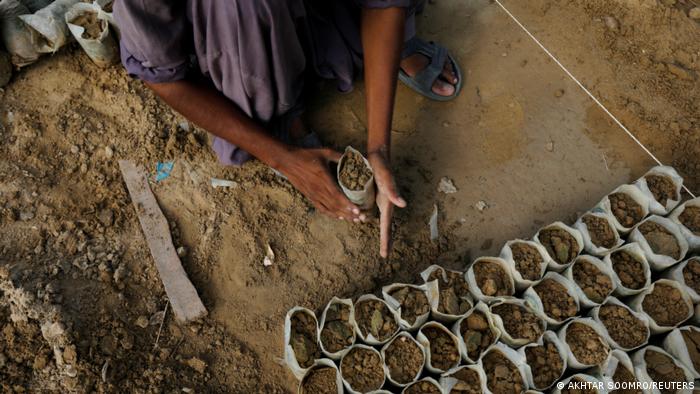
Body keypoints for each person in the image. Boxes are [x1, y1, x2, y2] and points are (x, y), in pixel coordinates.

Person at [114, 0, 461, 258]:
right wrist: (281, 158)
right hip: (229, 23)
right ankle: (279, 109)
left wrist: (378, 149)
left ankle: (386, 41)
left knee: (380, 18)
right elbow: (162, 78)